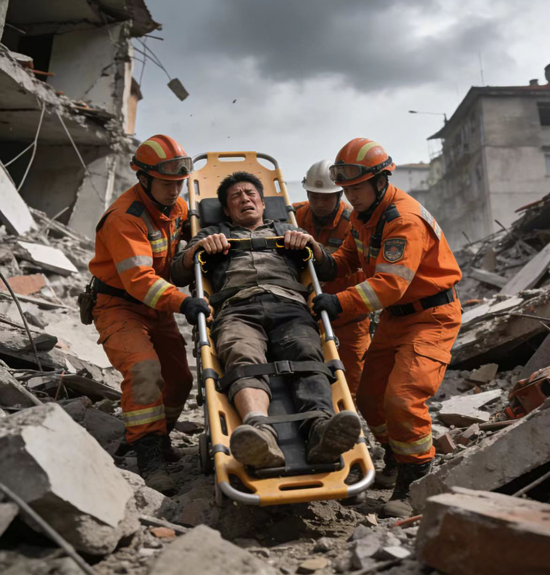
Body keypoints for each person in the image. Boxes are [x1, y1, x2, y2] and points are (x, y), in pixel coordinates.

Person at [170, 171, 361, 470]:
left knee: (307, 353)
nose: (245, 199)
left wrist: (311, 245)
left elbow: (327, 270)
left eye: (251, 194)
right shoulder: (212, 233)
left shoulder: (287, 229)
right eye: (236, 196)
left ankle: (320, 429)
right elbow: (179, 273)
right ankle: (260, 433)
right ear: (226, 209)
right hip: (237, 308)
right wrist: (196, 250)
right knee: (241, 354)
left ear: (262, 203)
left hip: (289, 305)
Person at [312, 138, 462, 517]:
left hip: (431, 317)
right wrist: (316, 256)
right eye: (346, 190)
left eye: (357, 188)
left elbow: (390, 284)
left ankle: (414, 481)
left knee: (402, 398)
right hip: (397, 317)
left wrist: (338, 301)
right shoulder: (364, 216)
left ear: (381, 181)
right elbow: (347, 258)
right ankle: (397, 456)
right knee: (369, 397)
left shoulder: (403, 220)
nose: (350, 197)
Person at [89, 135, 210, 495]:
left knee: (180, 380)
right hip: (119, 306)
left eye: (180, 183)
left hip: (155, 305)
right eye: (166, 183)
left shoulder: (177, 208)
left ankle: (158, 436)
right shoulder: (124, 218)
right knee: (144, 370)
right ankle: (149, 455)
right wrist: (183, 302)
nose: (175, 190)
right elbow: (139, 279)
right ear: (143, 179)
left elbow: (188, 239)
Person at [293, 160, 370, 397]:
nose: (319, 203)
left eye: (325, 198)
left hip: (348, 318)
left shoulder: (356, 222)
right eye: (314, 196)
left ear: (339, 194)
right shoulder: (293, 216)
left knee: (353, 383)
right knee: (309, 379)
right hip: (306, 317)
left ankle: (352, 418)